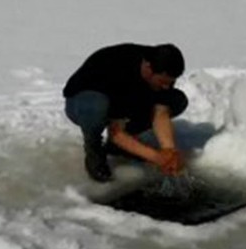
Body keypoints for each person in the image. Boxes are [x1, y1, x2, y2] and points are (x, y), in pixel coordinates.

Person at [63, 43, 188, 182]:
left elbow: (160, 111)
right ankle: (94, 151)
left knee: (177, 99)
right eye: (162, 82)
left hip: (125, 99)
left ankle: (117, 148)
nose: (166, 86)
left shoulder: (160, 65)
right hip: (83, 103)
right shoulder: (118, 71)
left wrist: (169, 152)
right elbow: (116, 131)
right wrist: (156, 158)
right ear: (148, 68)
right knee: (97, 108)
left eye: (170, 83)